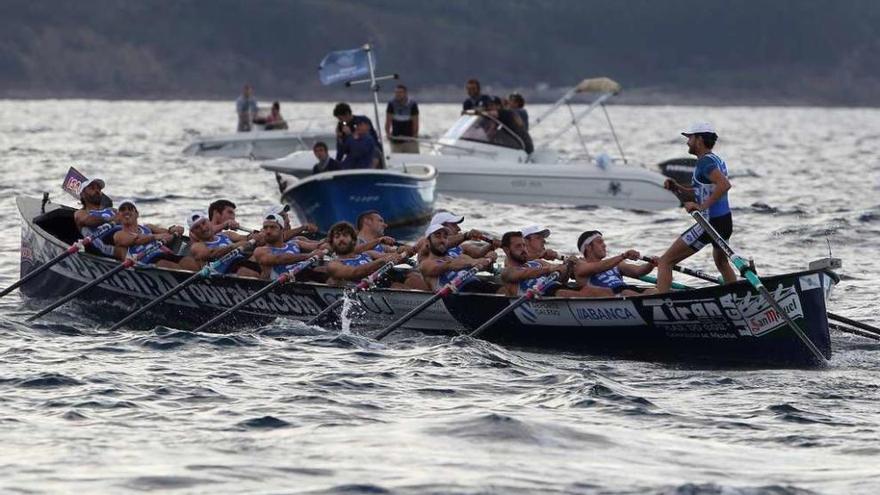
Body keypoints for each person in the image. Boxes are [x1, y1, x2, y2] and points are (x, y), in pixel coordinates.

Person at [656, 123, 736, 293]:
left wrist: (700, 206)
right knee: (722, 263)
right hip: (724, 222)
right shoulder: (715, 159)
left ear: (699, 139)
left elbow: (724, 185)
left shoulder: (705, 163)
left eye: (690, 138)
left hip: (709, 224)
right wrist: (677, 188)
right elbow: (703, 191)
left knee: (665, 262)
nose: (687, 142)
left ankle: (658, 303)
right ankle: (737, 296)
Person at [111, 199, 199, 271]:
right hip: (146, 261)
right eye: (123, 209)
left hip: (164, 253)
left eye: (130, 209)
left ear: (137, 214)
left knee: (189, 262)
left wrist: (173, 229)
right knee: (165, 264)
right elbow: (137, 240)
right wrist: (155, 237)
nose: (126, 211)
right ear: (118, 216)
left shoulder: (148, 227)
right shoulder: (119, 234)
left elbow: (167, 233)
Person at [564, 230, 657, 297]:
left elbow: (638, 271)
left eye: (603, 242)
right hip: (607, 295)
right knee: (627, 293)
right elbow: (597, 267)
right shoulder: (580, 266)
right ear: (588, 247)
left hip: (626, 290)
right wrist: (623, 256)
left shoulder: (616, 264)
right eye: (600, 242)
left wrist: (651, 263)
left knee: (653, 291)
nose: (604, 245)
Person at [355, 209, 429, 290]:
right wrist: (399, 254)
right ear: (367, 221)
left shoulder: (381, 245)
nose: (385, 225)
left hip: (385, 275)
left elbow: (396, 250)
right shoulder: (356, 242)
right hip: (368, 280)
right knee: (401, 284)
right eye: (381, 221)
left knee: (414, 276)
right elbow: (376, 254)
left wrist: (405, 249)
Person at [325, 221, 408, 287]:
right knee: (397, 286)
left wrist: (403, 251)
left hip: (382, 285)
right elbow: (354, 273)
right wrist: (380, 261)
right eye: (337, 236)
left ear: (354, 240)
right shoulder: (333, 265)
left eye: (345, 235)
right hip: (361, 291)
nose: (341, 239)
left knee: (412, 277)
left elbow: (390, 257)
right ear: (332, 243)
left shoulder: (368, 254)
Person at [419, 223, 495, 292]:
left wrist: (489, 256)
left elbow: (481, 264)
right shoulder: (426, 264)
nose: (442, 240)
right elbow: (449, 265)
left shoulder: (457, 256)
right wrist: (473, 262)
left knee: (503, 289)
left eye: (445, 237)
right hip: (458, 295)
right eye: (438, 236)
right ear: (427, 242)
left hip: (477, 287)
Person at [187, 210, 263, 277]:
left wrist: (257, 235)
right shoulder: (197, 246)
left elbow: (246, 238)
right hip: (225, 274)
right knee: (245, 271)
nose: (203, 228)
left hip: (244, 263)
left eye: (204, 223)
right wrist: (234, 246)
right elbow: (212, 253)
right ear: (193, 232)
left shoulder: (226, 234)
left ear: (209, 222)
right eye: (197, 227)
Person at [253, 213, 326, 281]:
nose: (268, 231)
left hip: (304, 277)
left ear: (282, 230)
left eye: (272, 227)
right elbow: (279, 259)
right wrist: (309, 256)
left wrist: (330, 241)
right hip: (280, 283)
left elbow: (318, 246)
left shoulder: (294, 243)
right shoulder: (260, 251)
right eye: (265, 228)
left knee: (324, 270)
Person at [499, 231, 571, 297]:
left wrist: (567, 267)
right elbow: (526, 272)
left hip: (556, 290)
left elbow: (562, 276)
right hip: (542, 297)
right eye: (518, 246)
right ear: (507, 250)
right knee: (561, 293)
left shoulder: (538, 263)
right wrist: (549, 269)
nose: (523, 249)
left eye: (524, 245)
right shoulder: (507, 272)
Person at [422, 211, 499, 259]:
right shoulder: (427, 244)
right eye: (454, 225)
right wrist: (466, 235)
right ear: (441, 227)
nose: (459, 229)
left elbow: (478, 253)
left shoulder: (462, 248)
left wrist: (491, 245)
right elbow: (444, 244)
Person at [73, 177, 117, 257]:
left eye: (99, 189)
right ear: (82, 194)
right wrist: (110, 219)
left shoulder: (112, 210)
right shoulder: (81, 213)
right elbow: (88, 221)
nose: (97, 191)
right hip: (107, 248)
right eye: (92, 188)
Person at [385, 84, 420, 154]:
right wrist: (388, 133)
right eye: (396, 92)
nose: (398, 94)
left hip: (410, 138)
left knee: (413, 158)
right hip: (396, 138)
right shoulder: (391, 104)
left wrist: (414, 136)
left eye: (400, 92)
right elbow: (388, 121)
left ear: (405, 93)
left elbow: (415, 122)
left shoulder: (412, 104)